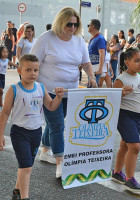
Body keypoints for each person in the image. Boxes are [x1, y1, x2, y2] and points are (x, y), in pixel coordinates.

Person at [31, 7, 97, 178]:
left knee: (56, 123)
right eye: (69, 24)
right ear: (60, 22)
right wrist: (32, 85)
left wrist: (91, 76)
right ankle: (61, 164)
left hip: (71, 91)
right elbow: (32, 62)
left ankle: (45, 151)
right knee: (58, 125)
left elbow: (86, 62)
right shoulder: (46, 39)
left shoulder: (79, 40)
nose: (72, 28)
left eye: (76, 25)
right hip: (49, 90)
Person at [0, 54, 64, 200]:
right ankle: (25, 197)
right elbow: (4, 114)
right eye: (28, 70)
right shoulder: (14, 89)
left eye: (35, 70)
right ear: (19, 71)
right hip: (19, 133)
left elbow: (51, 106)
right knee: (27, 167)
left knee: (25, 165)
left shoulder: (41, 88)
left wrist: (58, 97)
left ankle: (17, 191)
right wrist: (1, 135)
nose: (32, 73)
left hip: (36, 133)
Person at [112, 48, 140, 193]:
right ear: (127, 62)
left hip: (138, 117)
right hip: (124, 115)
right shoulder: (121, 79)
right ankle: (130, 179)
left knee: (125, 146)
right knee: (135, 147)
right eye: (136, 61)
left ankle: (117, 172)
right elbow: (112, 100)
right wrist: (122, 94)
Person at [88, 19, 106, 85]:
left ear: (92, 26)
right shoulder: (93, 38)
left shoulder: (100, 38)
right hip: (91, 67)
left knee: (93, 89)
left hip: (96, 68)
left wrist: (100, 69)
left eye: (88, 25)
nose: (88, 27)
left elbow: (102, 54)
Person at [0, 46, 18, 111]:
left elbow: (14, 64)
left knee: (1, 92)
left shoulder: (7, 60)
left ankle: (0, 104)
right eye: (3, 52)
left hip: (3, 76)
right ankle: (1, 104)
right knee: (1, 90)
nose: (5, 53)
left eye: (6, 52)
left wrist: (20, 66)